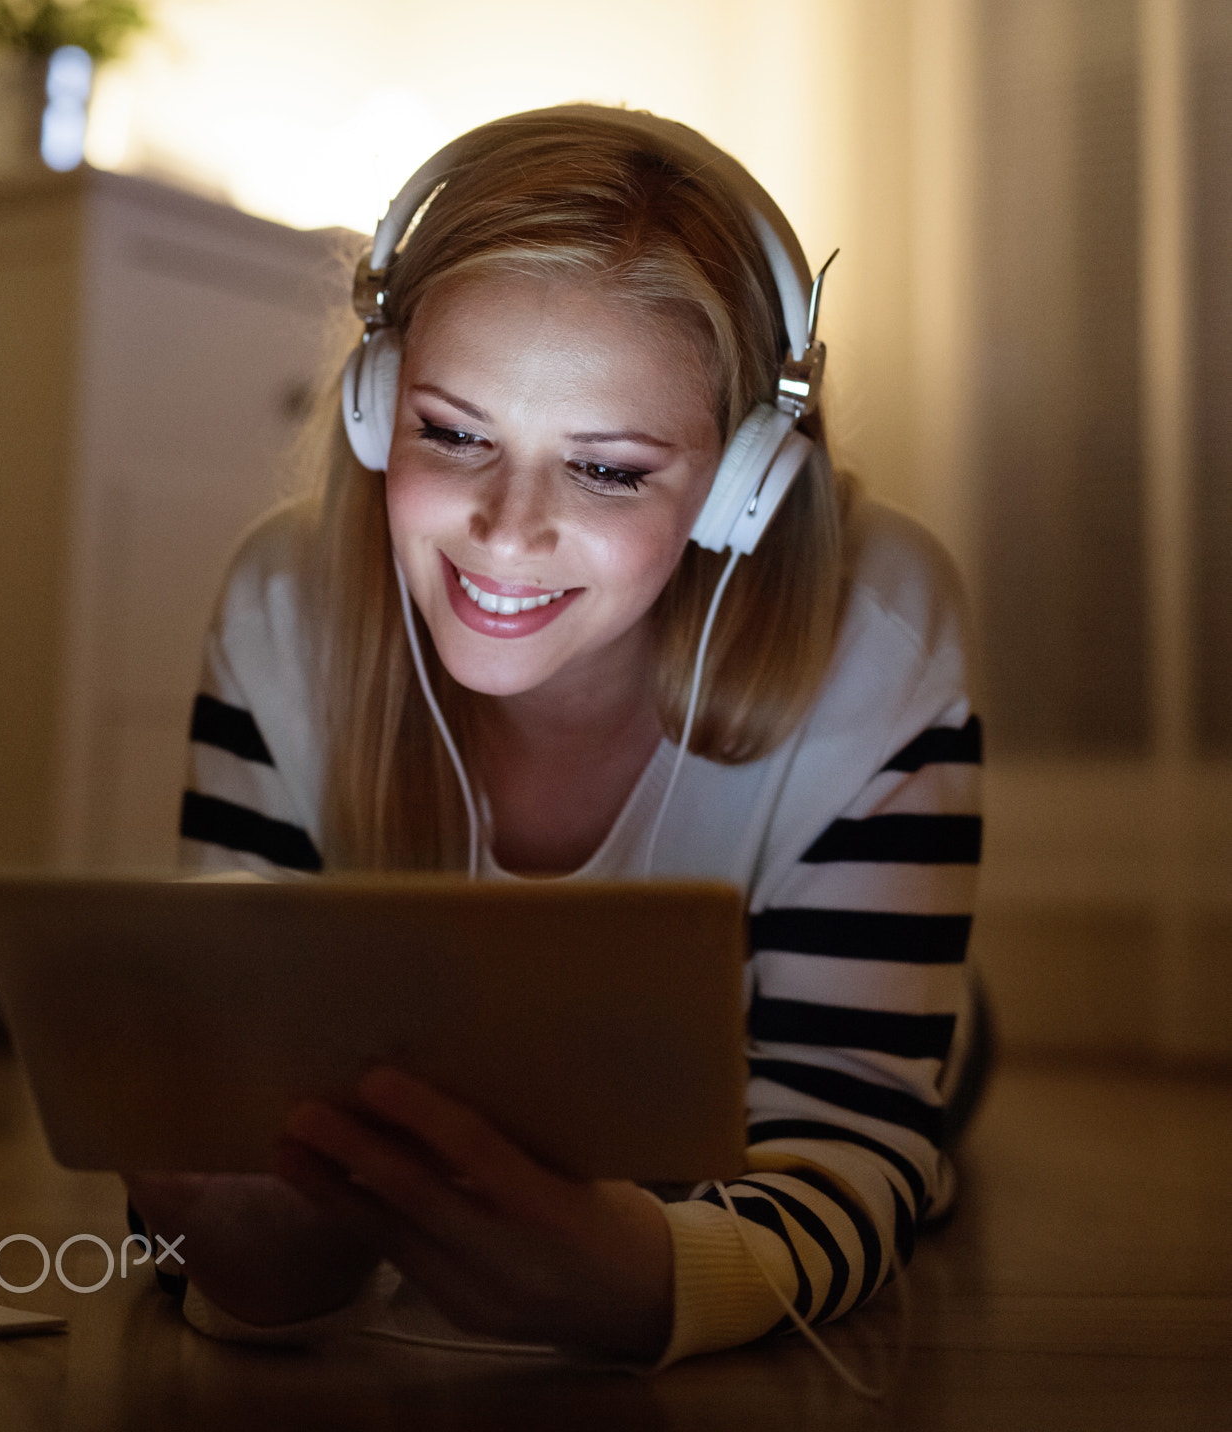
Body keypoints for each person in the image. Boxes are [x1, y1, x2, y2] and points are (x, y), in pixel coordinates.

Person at [127, 105, 984, 1371]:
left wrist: (652, 1281)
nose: (506, 528)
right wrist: (240, 1249)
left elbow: (851, 1130)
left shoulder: (880, 630)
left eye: (610, 470)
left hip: (788, 1045)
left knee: (936, 1062)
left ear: (746, 486)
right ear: (374, 407)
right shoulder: (284, 610)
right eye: (454, 431)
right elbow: (214, 1129)